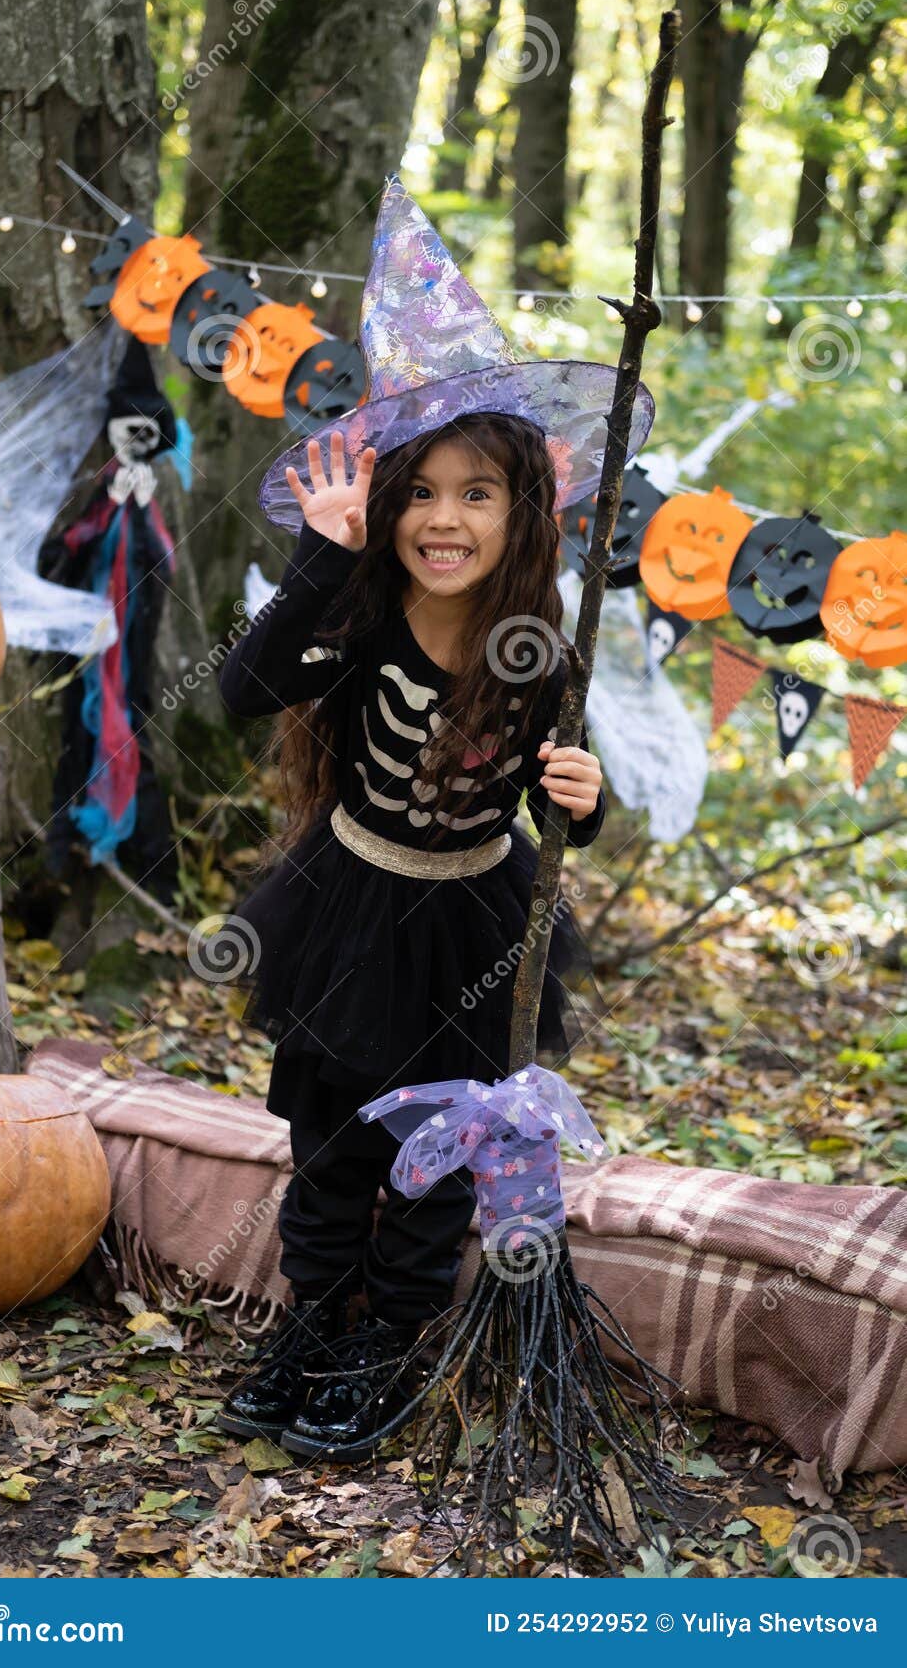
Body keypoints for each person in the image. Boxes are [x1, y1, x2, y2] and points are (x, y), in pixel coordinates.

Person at [206, 174, 652, 1459]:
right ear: (387, 500)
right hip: (344, 898)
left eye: (475, 493)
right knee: (328, 1129)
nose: (442, 519)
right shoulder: (352, 612)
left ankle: (388, 1338)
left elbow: (564, 799)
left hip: (471, 916)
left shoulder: (535, 649)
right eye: (421, 492)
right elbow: (241, 690)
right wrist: (322, 556)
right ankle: (311, 1321)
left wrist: (586, 799)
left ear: (522, 512)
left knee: (439, 1142)